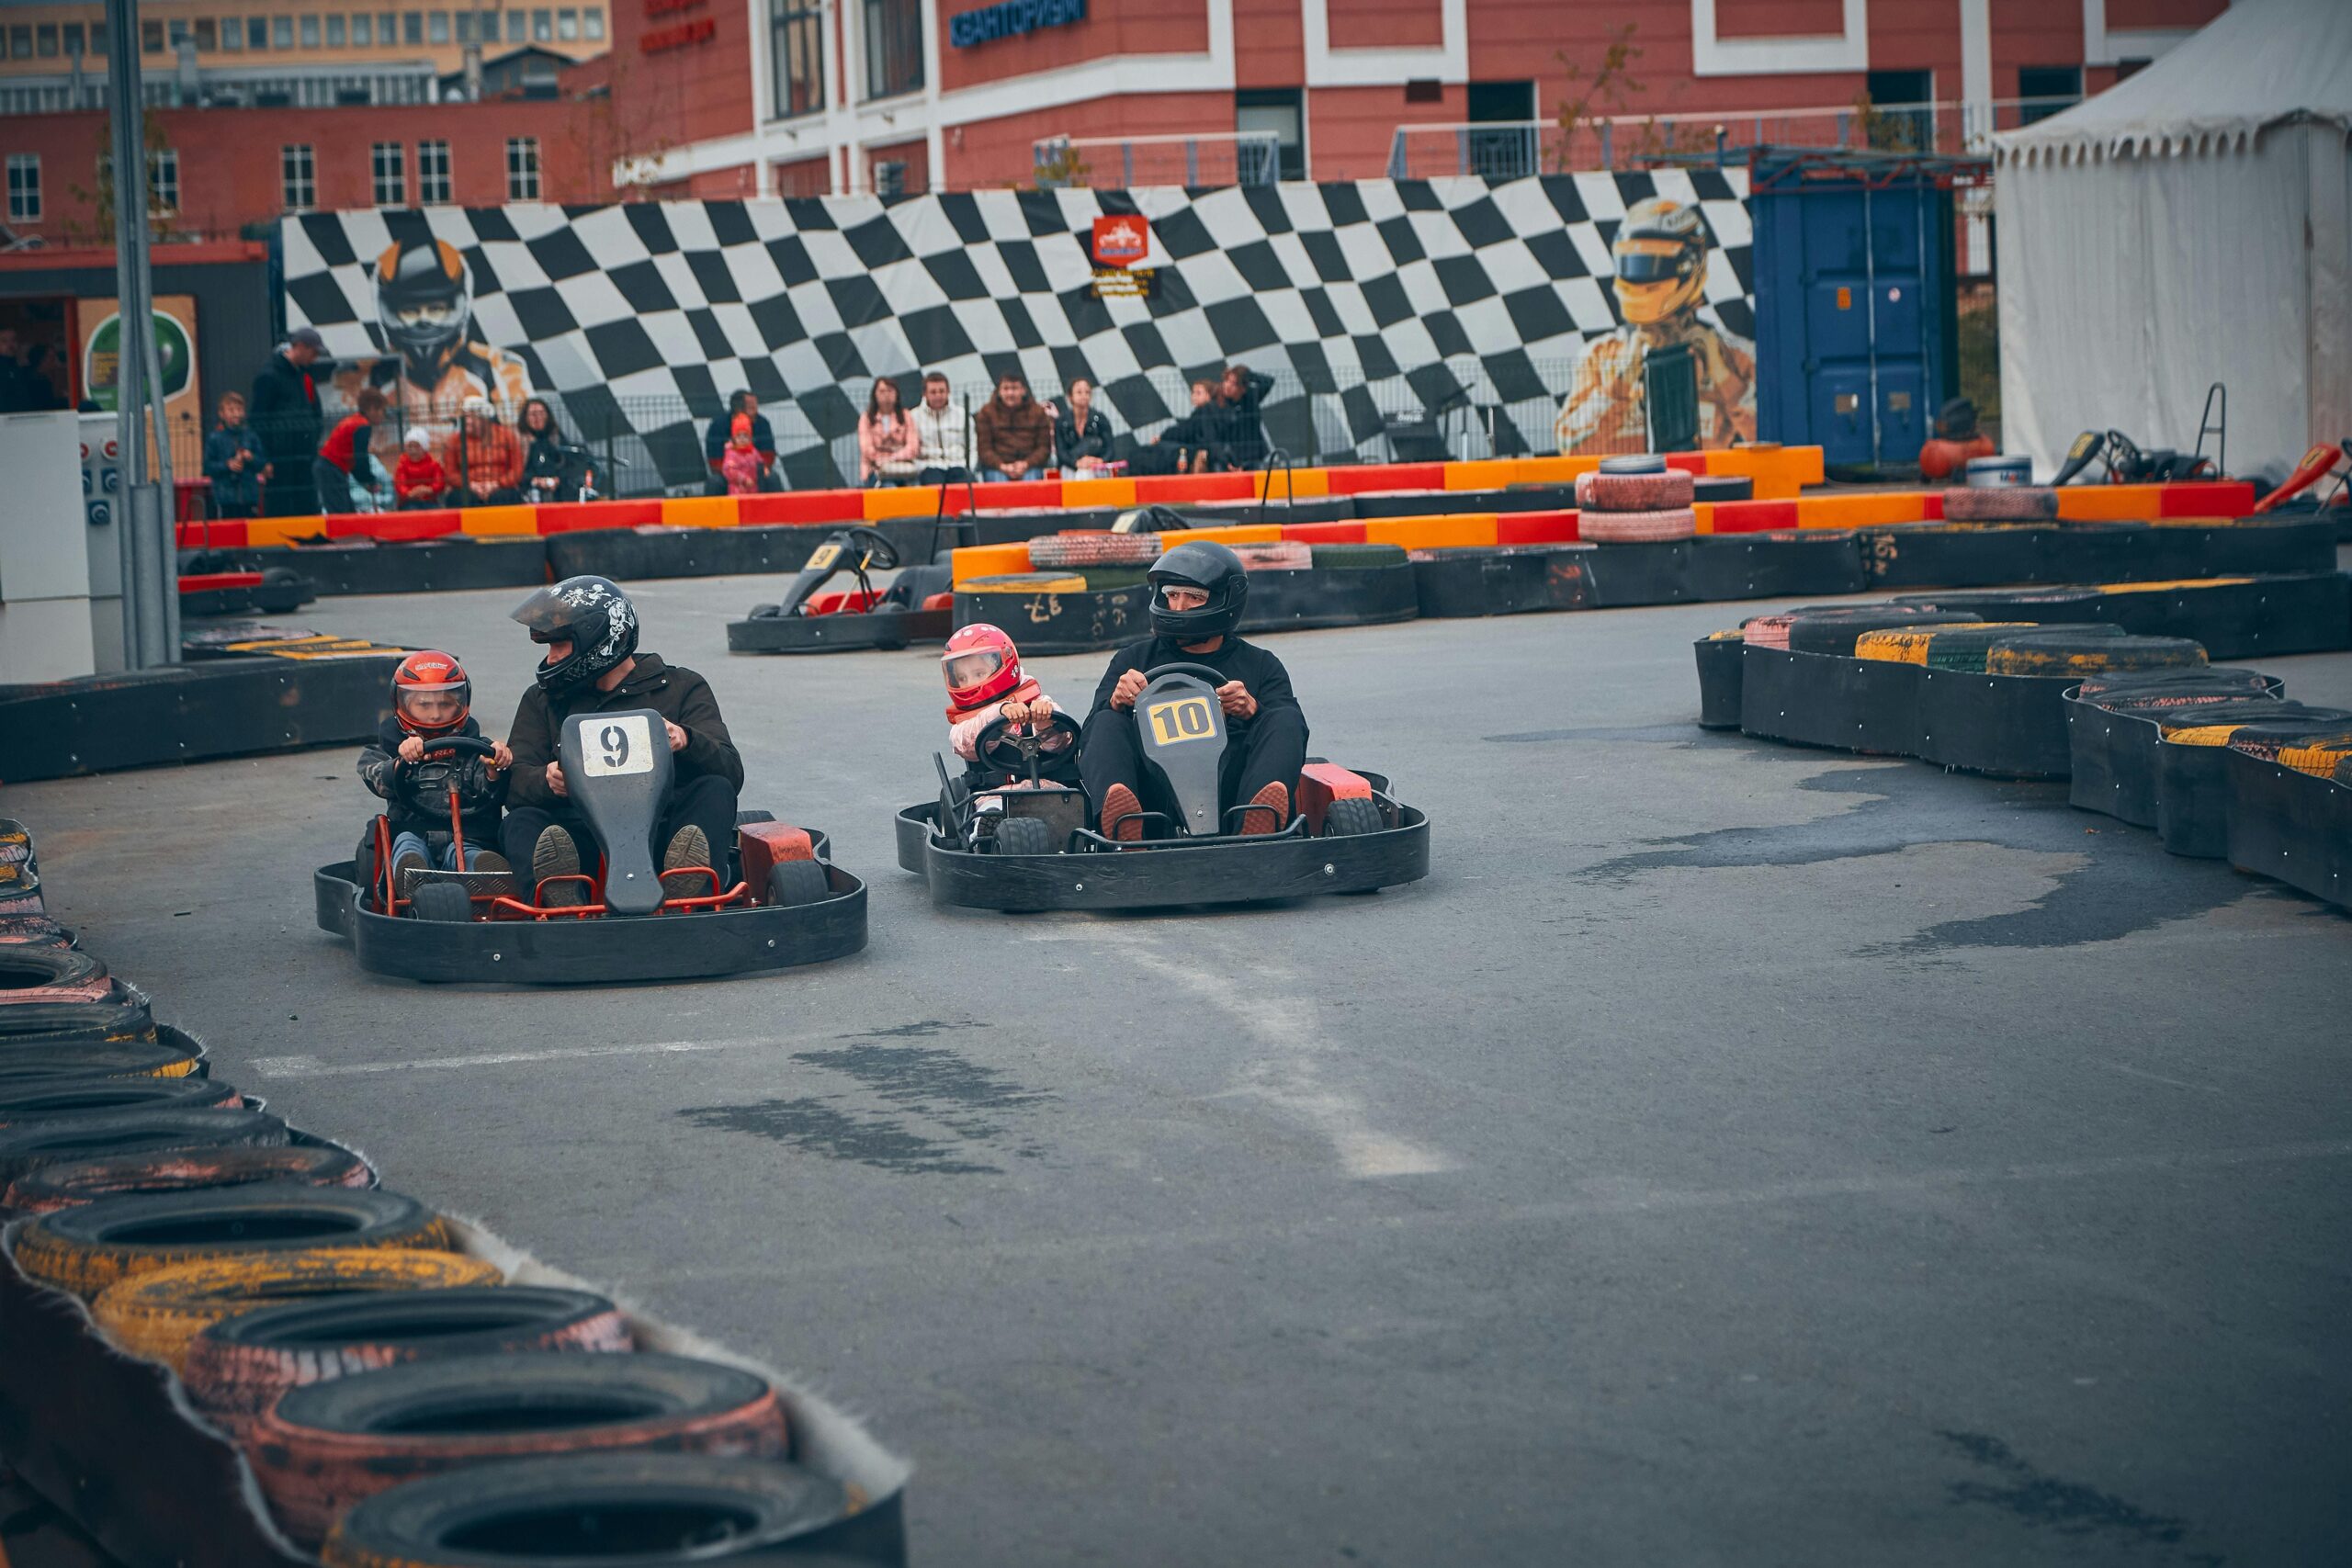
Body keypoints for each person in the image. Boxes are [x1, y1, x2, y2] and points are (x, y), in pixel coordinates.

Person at [500, 576, 744, 906]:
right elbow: (514, 784)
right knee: (520, 820)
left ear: (597, 638)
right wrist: (546, 780)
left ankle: (688, 883)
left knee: (715, 789)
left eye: (560, 645)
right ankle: (561, 897)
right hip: (579, 835)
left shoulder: (680, 687)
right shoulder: (542, 700)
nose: (553, 658)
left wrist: (686, 740)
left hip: (662, 832)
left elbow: (730, 770)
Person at [1080, 540, 1306, 841]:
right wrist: (1116, 701)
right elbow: (1089, 738)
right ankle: (1126, 829)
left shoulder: (1261, 665)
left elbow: (1288, 730)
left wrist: (1253, 711)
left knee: (1284, 719)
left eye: (1194, 597)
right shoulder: (1132, 661)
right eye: (1171, 595)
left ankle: (1258, 823)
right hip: (1151, 794)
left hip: (1231, 794)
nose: (1179, 606)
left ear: (1224, 601)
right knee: (1106, 720)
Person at [1555, 196, 1757, 455]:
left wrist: (1724, 377)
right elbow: (1570, 447)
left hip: (1700, 489)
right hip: (1623, 489)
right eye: (1630, 264)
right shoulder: (1599, 355)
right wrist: (1620, 384)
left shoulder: (1734, 355)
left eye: (1651, 265)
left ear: (1688, 266)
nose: (1639, 277)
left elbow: (1771, 436)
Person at [357, 650, 513, 880]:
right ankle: (411, 874)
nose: (435, 714)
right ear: (401, 704)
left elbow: (491, 792)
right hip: (413, 832)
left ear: (462, 702)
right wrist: (401, 762)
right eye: (424, 705)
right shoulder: (386, 750)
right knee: (406, 844)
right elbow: (376, 778)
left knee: (468, 852)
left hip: (467, 836)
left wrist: (495, 767)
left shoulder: (477, 749)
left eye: (445, 704)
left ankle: (483, 875)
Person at [366, 237, 533, 428]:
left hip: (469, 457)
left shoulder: (498, 367)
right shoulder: (364, 373)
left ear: (456, 305)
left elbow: (517, 436)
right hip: (406, 458)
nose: (424, 320)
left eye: (435, 309)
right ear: (390, 310)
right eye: (410, 311)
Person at [942, 624, 1079, 792]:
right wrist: (999, 715)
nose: (970, 683)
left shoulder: (1037, 702)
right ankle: (987, 819)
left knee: (1068, 805)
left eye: (978, 674)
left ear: (1005, 664)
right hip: (995, 797)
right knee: (989, 808)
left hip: (1048, 792)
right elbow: (964, 745)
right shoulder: (967, 721)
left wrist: (1044, 721)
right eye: (962, 678)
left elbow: (1060, 744)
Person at [250, 327, 326, 515]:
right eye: (313, 352)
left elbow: (313, 411)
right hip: (280, 457)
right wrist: (264, 458)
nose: (315, 358)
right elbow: (257, 418)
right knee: (281, 503)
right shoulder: (269, 376)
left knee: (307, 502)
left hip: (303, 455)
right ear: (300, 347)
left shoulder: (301, 376)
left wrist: (312, 438)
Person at [313, 387, 390, 515]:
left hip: (330, 467)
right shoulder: (362, 426)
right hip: (332, 469)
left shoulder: (354, 421)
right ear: (372, 409)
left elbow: (354, 460)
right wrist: (369, 480)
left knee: (347, 510)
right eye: (382, 410)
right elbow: (361, 458)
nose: (383, 415)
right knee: (341, 513)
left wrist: (365, 481)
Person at [440, 395, 526, 505]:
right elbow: (450, 474)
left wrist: (497, 484)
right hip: (467, 487)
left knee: (504, 497)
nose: (467, 421)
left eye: (471, 417)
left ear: (484, 419)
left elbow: (517, 470)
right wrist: (471, 485)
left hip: (501, 486)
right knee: (460, 498)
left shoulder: (507, 436)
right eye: (465, 417)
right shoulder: (454, 440)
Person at [973, 370, 1052, 482]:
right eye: (1006, 388)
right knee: (1001, 491)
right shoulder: (986, 413)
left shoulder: (1038, 412)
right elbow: (984, 449)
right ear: (999, 391)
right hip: (997, 467)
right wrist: (1002, 466)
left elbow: (1044, 448)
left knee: (1030, 488)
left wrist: (1026, 464)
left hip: (1030, 466)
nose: (1010, 393)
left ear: (1023, 390)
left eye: (1014, 388)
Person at [202, 391, 270, 520]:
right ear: (222, 414)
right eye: (231, 410)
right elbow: (208, 466)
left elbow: (262, 462)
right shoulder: (215, 438)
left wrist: (251, 457)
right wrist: (227, 465)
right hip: (225, 497)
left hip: (249, 495)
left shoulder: (251, 436)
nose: (236, 413)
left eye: (239, 409)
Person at [1133, 380, 1217, 476]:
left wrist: (1163, 437)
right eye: (1193, 392)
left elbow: (1186, 431)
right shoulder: (1201, 412)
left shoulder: (1206, 412)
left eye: (1198, 393)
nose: (1194, 396)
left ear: (1209, 395)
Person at [703, 390, 777, 494]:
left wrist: (753, 473)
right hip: (729, 475)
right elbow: (714, 462)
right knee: (714, 482)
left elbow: (768, 456)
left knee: (772, 478)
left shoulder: (762, 423)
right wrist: (737, 475)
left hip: (755, 475)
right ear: (738, 410)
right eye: (752, 408)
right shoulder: (718, 426)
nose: (756, 412)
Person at [1207, 364, 1273, 472]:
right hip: (1229, 457)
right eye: (1227, 381)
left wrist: (1247, 375)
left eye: (1234, 384)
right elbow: (1214, 438)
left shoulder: (1251, 396)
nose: (1228, 386)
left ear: (1242, 389)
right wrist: (1226, 461)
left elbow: (1268, 381)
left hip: (1253, 453)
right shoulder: (1217, 404)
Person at [858, 378, 922, 486]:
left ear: (897, 395)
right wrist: (880, 459)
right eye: (882, 391)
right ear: (875, 395)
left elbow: (913, 446)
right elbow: (866, 448)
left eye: (890, 391)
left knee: (916, 490)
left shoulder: (906, 415)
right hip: (876, 469)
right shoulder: (866, 418)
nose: (886, 395)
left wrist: (893, 458)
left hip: (903, 467)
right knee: (889, 488)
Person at [910, 371, 968, 480]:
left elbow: (972, 447)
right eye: (933, 392)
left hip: (959, 466)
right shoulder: (913, 416)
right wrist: (919, 467)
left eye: (942, 391)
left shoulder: (962, 415)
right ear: (925, 394)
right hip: (928, 467)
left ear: (948, 392)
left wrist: (968, 465)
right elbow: (912, 449)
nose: (938, 396)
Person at [1051, 378, 1114, 474]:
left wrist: (1101, 460)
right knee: (1074, 472)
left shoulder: (1100, 418)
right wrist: (1076, 463)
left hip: (1096, 464)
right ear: (1070, 397)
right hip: (1071, 465)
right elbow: (1061, 452)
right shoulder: (1061, 421)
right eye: (1079, 392)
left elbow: (1110, 449)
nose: (1084, 396)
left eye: (1087, 392)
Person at [518, 397, 571, 501]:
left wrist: (557, 479)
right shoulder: (520, 440)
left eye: (541, 413)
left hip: (556, 483)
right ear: (525, 417)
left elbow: (566, 464)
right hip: (529, 486)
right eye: (533, 414)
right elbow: (518, 470)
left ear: (548, 415)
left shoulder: (555, 437)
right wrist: (534, 480)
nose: (537, 417)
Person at [392, 427, 448, 509]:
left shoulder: (434, 464)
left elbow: (439, 483)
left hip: (429, 501)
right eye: (410, 447)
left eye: (417, 447)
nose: (413, 450)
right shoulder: (402, 465)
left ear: (424, 448)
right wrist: (409, 493)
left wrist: (428, 490)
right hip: (408, 502)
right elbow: (400, 484)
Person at [720, 412, 765, 496]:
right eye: (739, 436)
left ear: (750, 438)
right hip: (737, 492)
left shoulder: (753, 451)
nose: (742, 439)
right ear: (734, 438)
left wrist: (764, 470)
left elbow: (760, 463)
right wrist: (744, 479)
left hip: (753, 491)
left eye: (745, 435)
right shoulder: (731, 452)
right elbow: (729, 470)